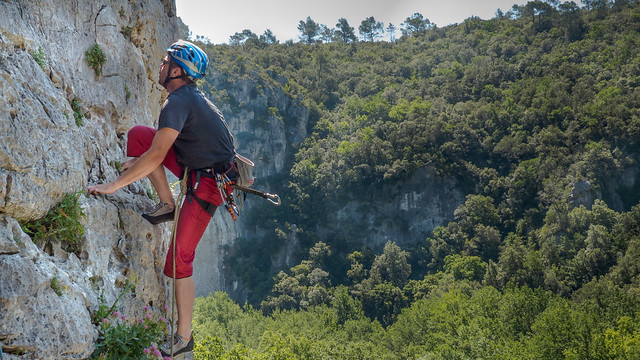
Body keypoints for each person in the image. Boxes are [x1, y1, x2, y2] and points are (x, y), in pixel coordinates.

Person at [88, 40, 235, 357]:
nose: (159, 64)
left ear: (177, 71)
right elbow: (152, 146)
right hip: (200, 166)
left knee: (179, 260)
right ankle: (168, 205)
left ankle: (184, 338)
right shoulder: (187, 99)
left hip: (209, 183)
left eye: (165, 61)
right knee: (139, 135)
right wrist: (143, 159)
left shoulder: (178, 103)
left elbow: (156, 155)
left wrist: (113, 185)